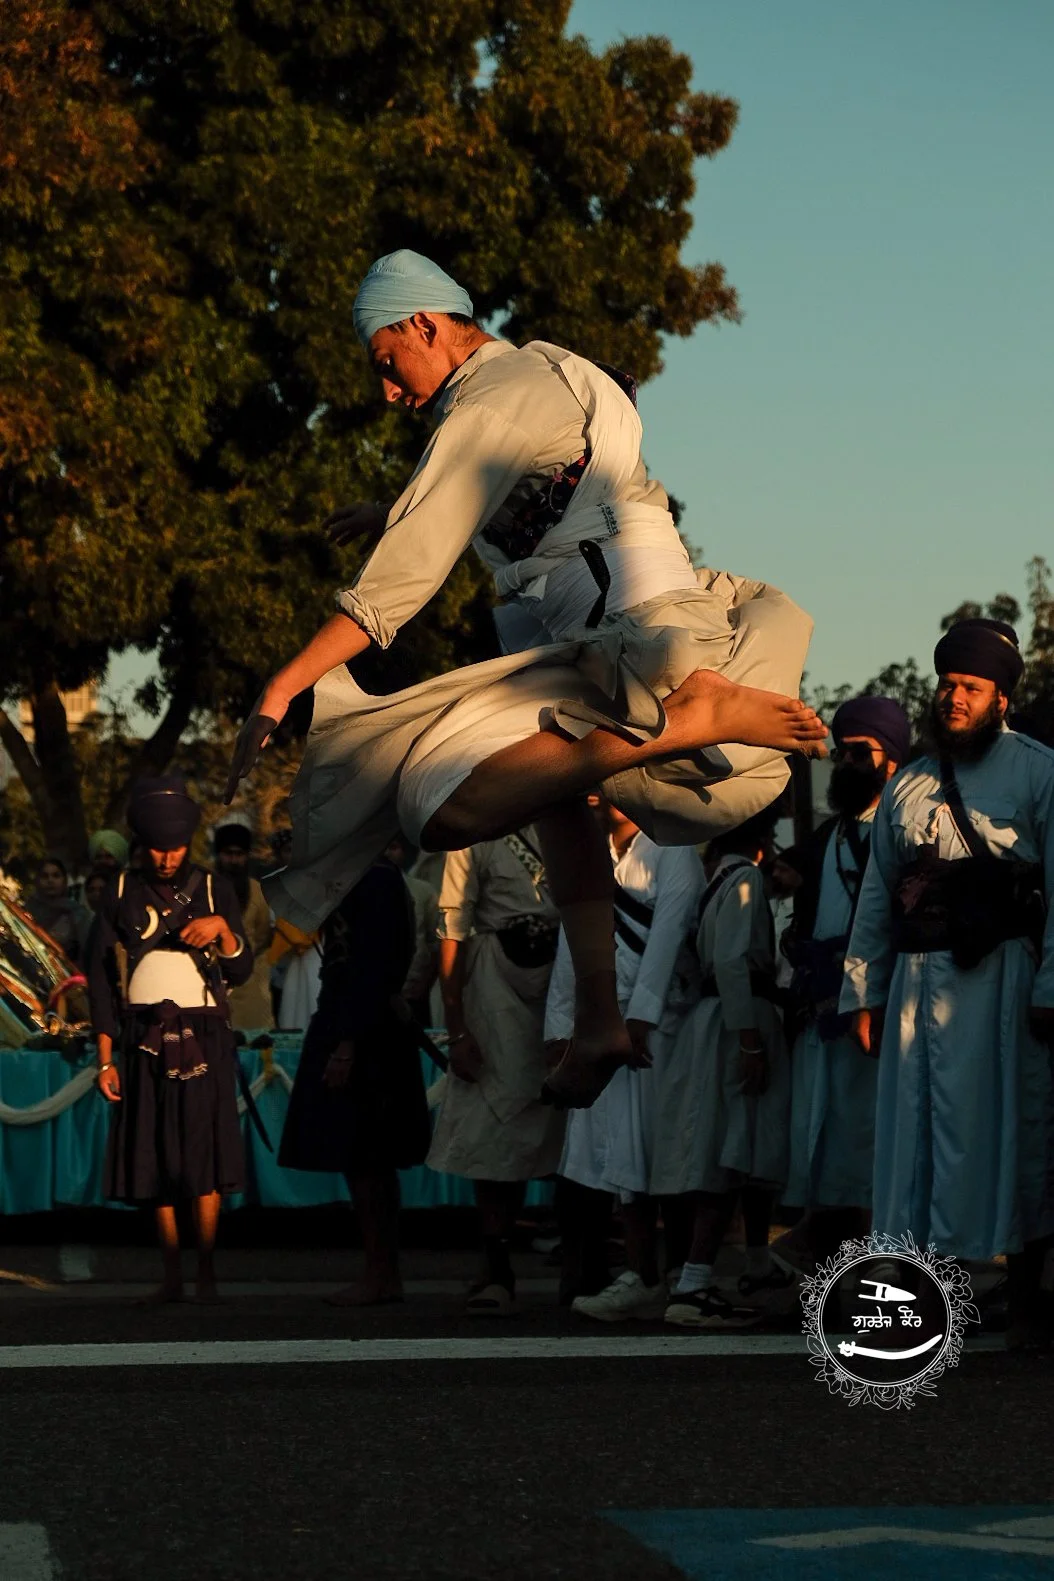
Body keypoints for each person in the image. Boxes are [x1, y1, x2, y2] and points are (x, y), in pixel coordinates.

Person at [225, 249, 826, 1110]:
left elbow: (403, 576)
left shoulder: (499, 397)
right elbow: (482, 497)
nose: (388, 391)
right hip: (613, 664)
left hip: (660, 668)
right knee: (545, 793)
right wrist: (388, 512)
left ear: (424, 324)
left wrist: (281, 687)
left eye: (387, 363)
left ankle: (685, 723)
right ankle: (599, 1017)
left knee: (437, 805)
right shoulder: (514, 390)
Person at [842, 619, 1054, 1348]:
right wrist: (863, 991)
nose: (953, 698)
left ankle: (1015, 1295)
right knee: (913, 1142)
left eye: (969, 687)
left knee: (1000, 1134)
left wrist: (1050, 984)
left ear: (1001, 697)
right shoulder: (912, 783)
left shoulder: (1037, 771)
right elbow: (878, 892)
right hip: (912, 987)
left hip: (997, 985)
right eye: (947, 686)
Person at [88, 777, 252, 1302]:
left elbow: (243, 966)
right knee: (155, 1151)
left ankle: (206, 1272)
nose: (167, 858)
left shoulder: (211, 887)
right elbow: (99, 982)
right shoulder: (118, 892)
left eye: (177, 848)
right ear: (141, 845)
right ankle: (172, 1275)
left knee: (201, 1151)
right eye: (159, 848)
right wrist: (105, 1060)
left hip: (203, 1032)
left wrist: (222, 930)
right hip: (141, 1035)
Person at [546, 799, 704, 1319]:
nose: (598, 794)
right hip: (601, 1028)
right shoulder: (588, 854)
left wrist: (642, 1018)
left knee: (667, 1157)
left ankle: (679, 1274)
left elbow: (668, 936)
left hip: (662, 1030)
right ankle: (642, 1274)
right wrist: (560, 1026)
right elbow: (574, 944)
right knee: (621, 1160)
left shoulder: (672, 850)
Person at [781, 697, 910, 1265]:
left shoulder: (906, 833)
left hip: (876, 1015)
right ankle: (832, 1268)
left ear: (894, 762)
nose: (849, 763)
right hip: (822, 1015)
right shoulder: (826, 838)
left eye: (863, 753)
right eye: (843, 753)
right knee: (826, 1138)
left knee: (873, 1143)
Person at [654, 809, 794, 1329]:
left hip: (717, 1018)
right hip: (740, 1018)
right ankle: (694, 1281)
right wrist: (751, 1042)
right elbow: (735, 961)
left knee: (741, 1144)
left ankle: (755, 1262)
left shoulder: (711, 879)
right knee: (730, 1151)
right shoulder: (744, 878)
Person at [278, 855, 431, 1306]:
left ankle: (381, 1273)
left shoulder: (375, 879)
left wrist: (347, 1042)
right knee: (364, 1159)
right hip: (354, 1017)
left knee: (368, 1157)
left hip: (364, 1026)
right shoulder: (354, 875)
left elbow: (371, 967)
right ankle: (381, 1272)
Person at [427, 829, 566, 1315]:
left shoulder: (571, 817)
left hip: (563, 980)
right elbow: (452, 923)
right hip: (492, 985)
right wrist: (457, 1025)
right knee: (493, 1125)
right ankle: (497, 1266)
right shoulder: (474, 829)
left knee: (574, 1119)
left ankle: (583, 1263)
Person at [212, 816, 275, 1031]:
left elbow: (264, 934)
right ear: (219, 855)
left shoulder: (257, 890)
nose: (233, 860)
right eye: (228, 854)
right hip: (213, 977)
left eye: (239, 854)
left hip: (252, 980)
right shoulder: (206, 888)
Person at [25, 857, 91, 965]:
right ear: (37, 881)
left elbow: (87, 953)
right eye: (45, 876)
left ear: (64, 880)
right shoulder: (27, 910)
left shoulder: (78, 914)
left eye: (56, 876)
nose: (50, 880)